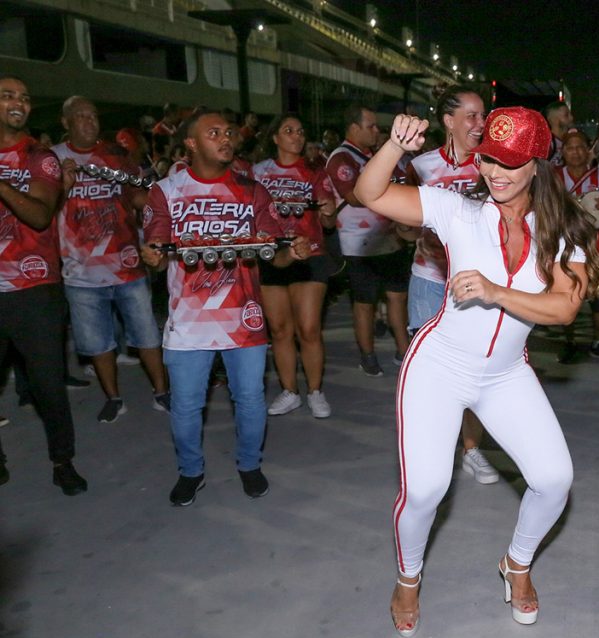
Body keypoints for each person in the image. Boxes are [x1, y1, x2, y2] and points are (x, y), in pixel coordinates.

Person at [354, 107, 599, 635]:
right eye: (488, 158)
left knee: (555, 479)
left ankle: (516, 565)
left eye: (510, 162)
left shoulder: (564, 231)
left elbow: (563, 309)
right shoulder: (457, 211)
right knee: (424, 489)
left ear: (537, 164)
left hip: (505, 373)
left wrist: (495, 292)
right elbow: (370, 194)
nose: (495, 172)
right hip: (439, 366)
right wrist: (395, 148)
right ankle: (408, 578)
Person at [141, 108, 311, 506]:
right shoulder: (165, 191)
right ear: (190, 143)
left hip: (243, 318)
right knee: (186, 405)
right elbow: (156, 248)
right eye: (213, 132)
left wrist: (294, 253)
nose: (226, 138)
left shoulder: (253, 191)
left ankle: (249, 465)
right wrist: (151, 256)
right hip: (188, 321)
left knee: (250, 398)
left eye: (229, 132)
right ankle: (191, 471)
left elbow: (275, 257)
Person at [52, 96, 170, 423]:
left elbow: (139, 197)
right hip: (80, 273)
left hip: (127, 265)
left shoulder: (114, 157)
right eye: (81, 117)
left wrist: (168, 197)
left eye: (93, 116)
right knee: (98, 343)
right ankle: (113, 398)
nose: (90, 122)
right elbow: (41, 208)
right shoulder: (53, 160)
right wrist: (62, 184)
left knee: (147, 335)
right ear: (66, 123)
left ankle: (162, 392)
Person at [401, 85, 496, 484]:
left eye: (482, 116)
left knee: (474, 371)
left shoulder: (491, 165)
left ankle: (472, 450)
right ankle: (432, 455)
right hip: (428, 280)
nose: (480, 123)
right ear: (448, 121)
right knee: (429, 373)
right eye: (472, 116)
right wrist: (415, 232)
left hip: (475, 284)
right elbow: (400, 222)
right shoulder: (421, 166)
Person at [0, 75, 86, 495]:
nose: (19, 102)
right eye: (8, 96)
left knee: (47, 383)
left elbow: (38, 215)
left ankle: (62, 460)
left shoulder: (39, 157)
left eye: (25, 96)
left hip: (34, 289)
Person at [253, 114, 338, 418]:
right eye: (288, 131)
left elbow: (328, 221)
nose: (296, 136)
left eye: (300, 131)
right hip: (270, 254)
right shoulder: (257, 172)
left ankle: (315, 391)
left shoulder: (315, 172)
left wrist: (328, 211)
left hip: (309, 254)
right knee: (279, 329)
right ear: (275, 137)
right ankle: (290, 391)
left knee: (309, 328)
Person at [326, 104, 411, 376]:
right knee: (365, 303)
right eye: (371, 126)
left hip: (391, 241)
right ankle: (368, 355)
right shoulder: (341, 158)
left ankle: (404, 352)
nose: (377, 131)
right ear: (354, 128)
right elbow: (354, 196)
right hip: (359, 245)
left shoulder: (373, 155)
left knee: (397, 298)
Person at [556, 129, 599, 362]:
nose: (575, 152)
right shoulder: (555, 176)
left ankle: (598, 342)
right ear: (563, 152)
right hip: (565, 247)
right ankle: (569, 342)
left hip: (597, 248)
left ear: (588, 150)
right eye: (570, 147)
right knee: (568, 296)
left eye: (580, 147)